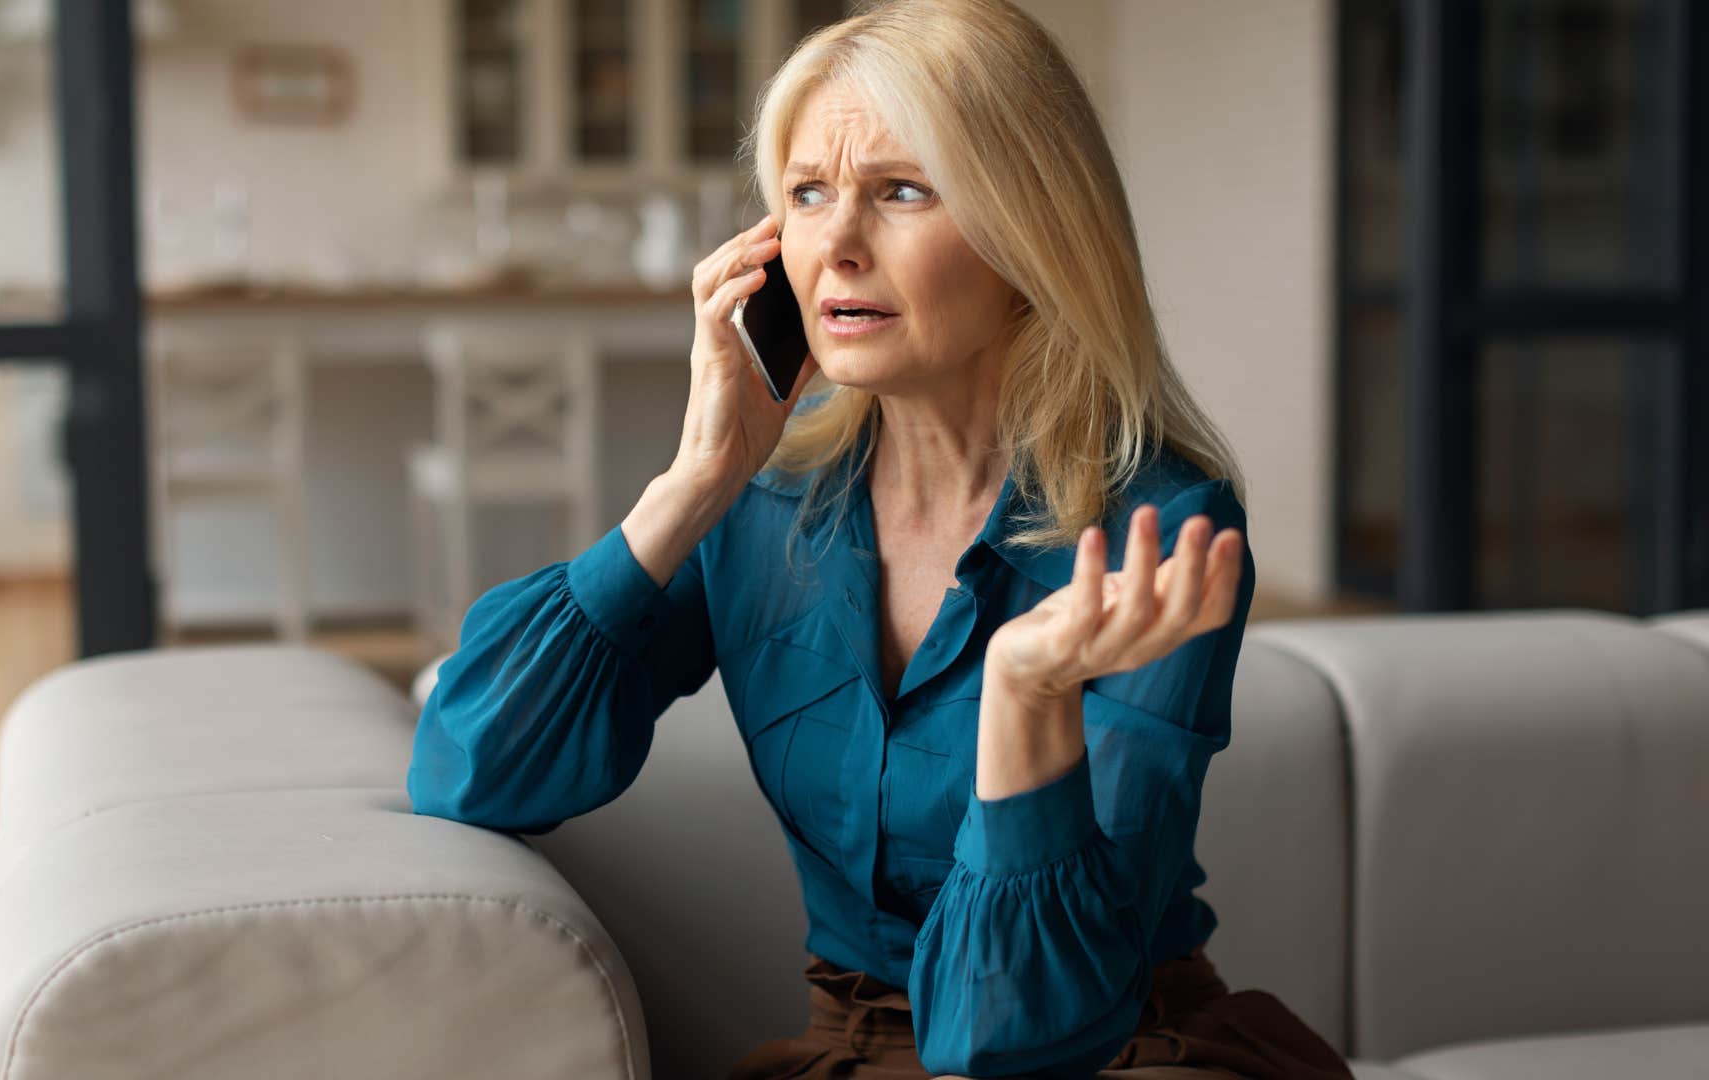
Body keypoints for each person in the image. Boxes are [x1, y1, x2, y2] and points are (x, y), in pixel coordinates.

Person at [407, 1, 1353, 1076]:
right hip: (858, 1046)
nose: (838, 245)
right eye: (807, 194)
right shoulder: (760, 502)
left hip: (1111, 1052)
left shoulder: (1162, 525)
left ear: (1030, 228)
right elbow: (470, 768)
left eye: (902, 191)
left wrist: (1025, 702)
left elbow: (1020, 1033)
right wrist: (694, 481)